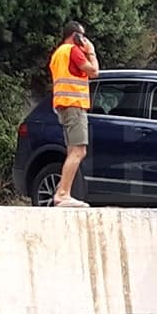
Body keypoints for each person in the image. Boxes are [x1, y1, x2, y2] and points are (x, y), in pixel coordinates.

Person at [48, 20, 99, 207]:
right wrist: (91, 52)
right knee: (79, 150)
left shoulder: (58, 53)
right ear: (75, 35)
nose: (84, 39)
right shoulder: (73, 51)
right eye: (82, 36)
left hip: (64, 105)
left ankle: (62, 191)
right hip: (74, 105)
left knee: (72, 150)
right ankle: (63, 194)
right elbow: (94, 72)